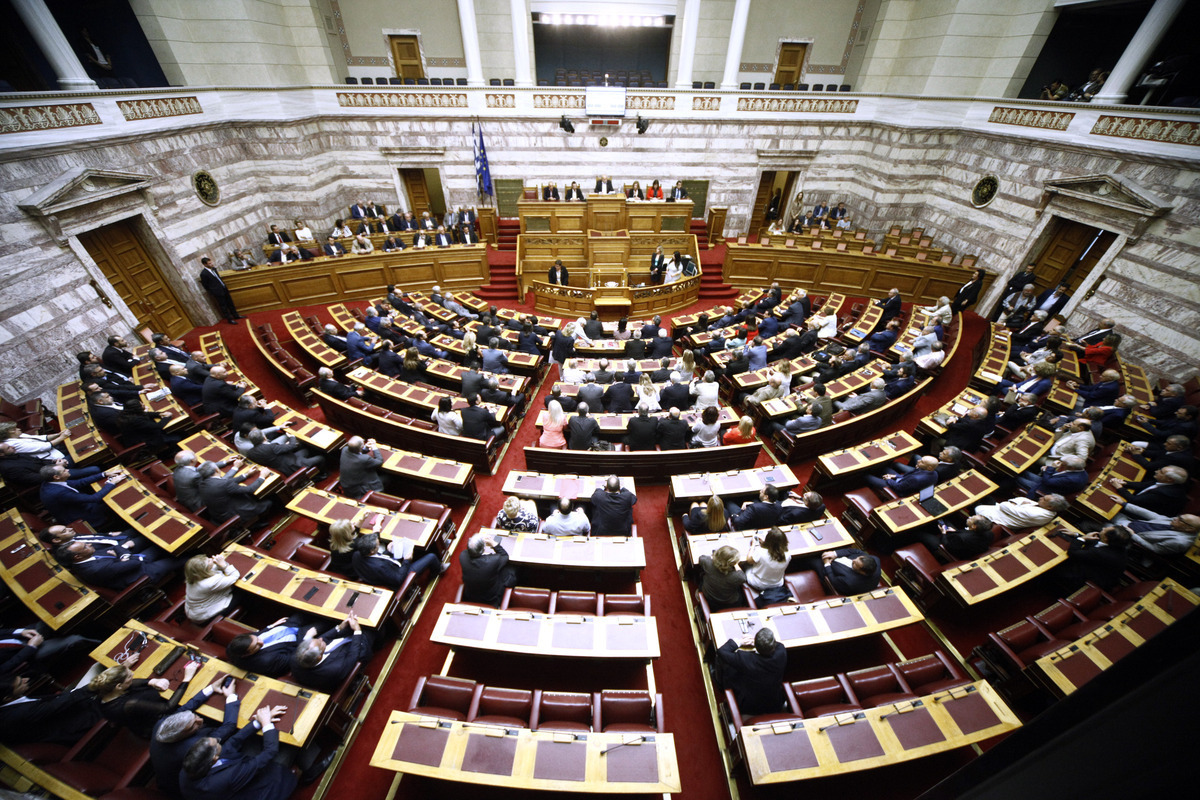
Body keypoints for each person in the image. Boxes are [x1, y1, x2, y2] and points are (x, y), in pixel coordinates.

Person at [180, 704, 299, 800]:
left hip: (231, 781)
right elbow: (269, 752)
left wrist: (258, 722)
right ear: (215, 758)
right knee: (293, 744)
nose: (219, 740)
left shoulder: (189, 767)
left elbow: (232, 742)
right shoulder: (226, 777)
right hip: (261, 791)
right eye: (217, 743)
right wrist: (267, 723)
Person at [151, 674, 240, 797]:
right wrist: (231, 696)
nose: (200, 720)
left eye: (194, 717)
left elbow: (187, 707)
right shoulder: (194, 747)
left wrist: (211, 688)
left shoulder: (162, 724)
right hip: (181, 788)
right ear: (182, 735)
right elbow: (228, 727)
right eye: (193, 725)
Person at [88, 661, 182, 739]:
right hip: (156, 726)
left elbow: (131, 684)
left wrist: (151, 681)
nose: (132, 674)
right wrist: (186, 679)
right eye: (129, 676)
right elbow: (168, 707)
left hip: (142, 715)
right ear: (119, 686)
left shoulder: (105, 692)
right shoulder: (129, 705)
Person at [717, 628, 787, 716]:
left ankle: (718, 683)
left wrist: (739, 642)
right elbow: (778, 645)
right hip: (774, 703)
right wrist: (761, 643)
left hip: (748, 706)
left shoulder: (746, 660)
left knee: (727, 668)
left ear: (757, 646)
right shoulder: (781, 652)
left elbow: (722, 651)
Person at [225, 616, 314, 677]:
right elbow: (294, 657)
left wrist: (271, 626)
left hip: (283, 628)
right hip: (298, 640)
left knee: (304, 610)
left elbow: (254, 635)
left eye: (257, 639)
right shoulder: (266, 661)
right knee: (322, 622)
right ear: (247, 654)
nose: (260, 641)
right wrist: (307, 638)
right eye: (256, 645)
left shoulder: (232, 648)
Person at [352, 533, 444, 590]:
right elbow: (398, 579)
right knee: (431, 556)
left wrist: (388, 551)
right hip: (398, 577)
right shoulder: (380, 567)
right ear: (371, 550)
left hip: (387, 570)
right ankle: (438, 570)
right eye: (377, 545)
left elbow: (378, 558)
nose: (379, 544)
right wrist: (406, 561)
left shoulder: (356, 554)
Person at [1051, 525, 1131, 591]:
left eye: (1104, 530)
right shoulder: (1117, 544)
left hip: (1088, 580)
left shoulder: (1102, 553)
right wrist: (1077, 535)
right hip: (1096, 566)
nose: (1103, 528)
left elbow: (1072, 552)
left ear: (1106, 538)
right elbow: (1096, 542)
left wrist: (1081, 539)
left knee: (1053, 565)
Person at [196, 460, 272, 525]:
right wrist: (262, 476)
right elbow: (250, 489)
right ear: (216, 470)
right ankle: (255, 523)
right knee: (269, 501)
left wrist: (246, 475)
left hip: (220, 515)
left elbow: (225, 482)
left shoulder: (202, 484)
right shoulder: (223, 484)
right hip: (236, 515)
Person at [460, 532, 517, 607]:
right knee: (511, 569)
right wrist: (493, 543)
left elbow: (468, 552)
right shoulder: (492, 561)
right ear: (483, 549)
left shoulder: (463, 556)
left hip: (471, 596)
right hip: (491, 599)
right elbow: (504, 556)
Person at [184, 553, 239, 624]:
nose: (211, 559)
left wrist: (219, 562)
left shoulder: (193, 576)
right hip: (205, 615)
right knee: (243, 592)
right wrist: (224, 565)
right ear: (204, 570)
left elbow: (213, 568)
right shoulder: (208, 583)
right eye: (209, 561)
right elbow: (235, 576)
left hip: (194, 611)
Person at [915, 515, 995, 562]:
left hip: (947, 548)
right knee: (945, 520)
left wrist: (943, 533)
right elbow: (966, 535)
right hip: (963, 543)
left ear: (974, 526)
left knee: (919, 533)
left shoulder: (961, 538)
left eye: (972, 518)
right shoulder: (989, 533)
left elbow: (947, 545)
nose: (969, 517)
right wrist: (956, 531)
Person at [743, 527, 789, 605]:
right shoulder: (788, 554)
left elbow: (749, 560)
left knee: (745, 565)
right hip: (777, 583)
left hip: (758, 583)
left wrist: (753, 545)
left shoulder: (760, 552)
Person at [975, 493, 1068, 529]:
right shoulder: (1046, 508)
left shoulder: (1038, 514)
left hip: (997, 518)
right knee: (984, 495)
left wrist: (1015, 504)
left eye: (1044, 499)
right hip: (1002, 511)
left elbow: (1004, 505)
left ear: (1049, 507)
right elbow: (1020, 498)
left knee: (975, 505)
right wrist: (1015, 505)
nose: (1040, 498)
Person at [699, 545, 747, 611]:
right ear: (733, 563)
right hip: (728, 602)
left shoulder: (707, 563)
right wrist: (736, 565)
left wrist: (716, 557)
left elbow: (701, 558)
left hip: (709, 596)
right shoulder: (737, 576)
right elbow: (743, 577)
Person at [198, 257, 241, 324]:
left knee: (230, 303)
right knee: (224, 306)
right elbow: (205, 285)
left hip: (223, 288)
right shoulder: (204, 274)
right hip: (217, 292)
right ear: (205, 264)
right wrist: (214, 291)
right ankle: (230, 319)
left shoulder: (214, 269)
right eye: (209, 263)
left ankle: (236, 315)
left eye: (211, 262)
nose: (212, 264)